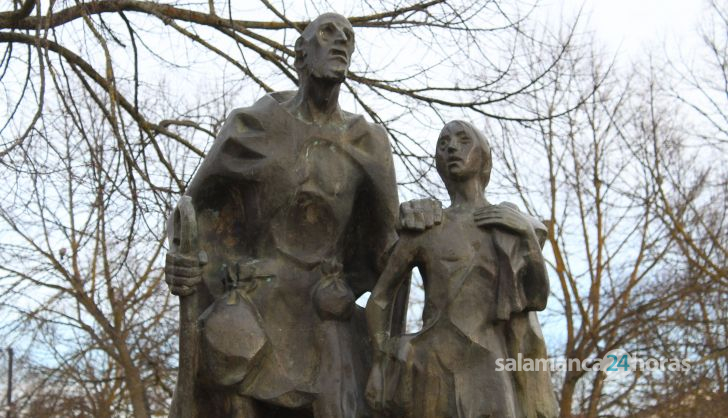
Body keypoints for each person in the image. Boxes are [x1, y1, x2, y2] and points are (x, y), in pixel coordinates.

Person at [164, 13, 434, 418]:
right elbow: (193, 215)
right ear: (301, 53)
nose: (340, 41)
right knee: (224, 371)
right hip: (255, 301)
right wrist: (185, 263)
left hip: (326, 311)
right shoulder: (253, 126)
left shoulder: (368, 142)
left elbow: (386, 252)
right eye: (327, 33)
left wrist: (417, 223)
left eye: (348, 37)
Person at [366, 120, 559, 418]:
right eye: (443, 144)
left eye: (462, 140)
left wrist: (527, 235)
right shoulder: (427, 226)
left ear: (483, 156)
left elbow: (536, 298)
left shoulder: (508, 225)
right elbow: (380, 298)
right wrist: (380, 363)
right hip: (430, 364)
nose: (452, 148)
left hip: (490, 364)